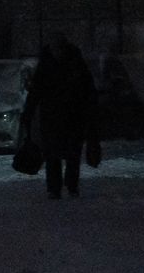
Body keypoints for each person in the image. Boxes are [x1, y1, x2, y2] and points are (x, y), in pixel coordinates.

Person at [20, 32, 95, 200]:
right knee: (61, 154)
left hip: (62, 115)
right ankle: (62, 187)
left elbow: (36, 91)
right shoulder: (73, 63)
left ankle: (62, 187)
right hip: (64, 116)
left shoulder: (51, 64)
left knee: (64, 154)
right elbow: (87, 89)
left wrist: (29, 112)